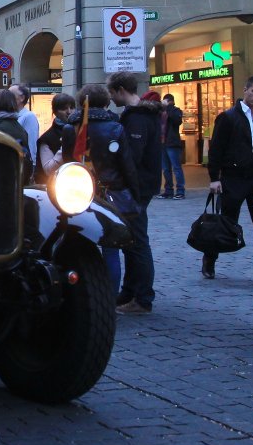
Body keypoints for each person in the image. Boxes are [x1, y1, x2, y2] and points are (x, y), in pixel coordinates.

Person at [204, 75, 253, 287]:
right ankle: (210, 257)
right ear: (245, 90)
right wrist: (214, 178)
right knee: (226, 224)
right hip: (234, 178)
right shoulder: (228, 117)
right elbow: (216, 149)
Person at [103, 72, 163, 315]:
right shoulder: (139, 115)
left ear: (120, 90)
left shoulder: (137, 118)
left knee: (137, 241)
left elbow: (132, 156)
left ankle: (143, 297)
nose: (110, 97)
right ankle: (129, 291)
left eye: (111, 92)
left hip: (137, 186)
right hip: (139, 185)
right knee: (130, 240)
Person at [73, 83, 138, 300]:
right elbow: (126, 165)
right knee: (111, 249)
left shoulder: (71, 127)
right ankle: (109, 299)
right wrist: (134, 191)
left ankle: (83, 297)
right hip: (111, 191)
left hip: (76, 193)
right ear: (105, 102)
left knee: (80, 247)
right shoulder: (114, 128)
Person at [36, 92, 79, 186]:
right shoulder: (47, 138)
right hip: (57, 186)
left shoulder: (80, 130)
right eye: (64, 108)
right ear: (55, 112)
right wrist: (66, 146)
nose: (69, 112)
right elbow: (48, 170)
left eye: (72, 107)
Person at [160, 93, 187, 198]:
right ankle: (168, 190)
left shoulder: (176, 111)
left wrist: (169, 107)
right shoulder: (161, 112)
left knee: (176, 168)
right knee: (166, 169)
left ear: (170, 101)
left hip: (172, 143)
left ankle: (180, 191)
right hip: (163, 143)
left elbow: (177, 121)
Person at [10, 83, 40, 176]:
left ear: (22, 98)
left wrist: (32, 166)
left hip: (24, 165)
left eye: (11, 95)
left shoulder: (28, 116)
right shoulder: (14, 116)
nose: (8, 98)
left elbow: (32, 142)